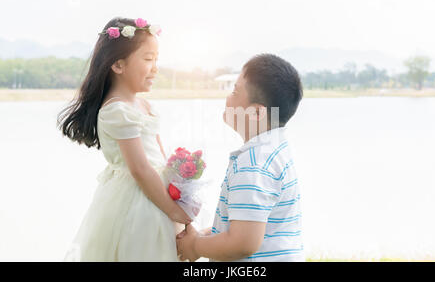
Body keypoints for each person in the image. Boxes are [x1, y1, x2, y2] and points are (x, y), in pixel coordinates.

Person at [57, 17, 191, 261]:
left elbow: (161, 157)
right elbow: (140, 169)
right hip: (138, 200)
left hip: (158, 192)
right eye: (148, 59)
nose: (156, 68)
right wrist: (172, 210)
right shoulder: (116, 110)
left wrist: (182, 180)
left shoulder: (144, 105)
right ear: (118, 65)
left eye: (156, 59)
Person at [176, 54, 304, 261]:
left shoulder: (254, 165)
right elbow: (247, 223)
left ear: (256, 113)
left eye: (235, 91)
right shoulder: (275, 150)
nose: (228, 98)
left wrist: (196, 246)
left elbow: (243, 243)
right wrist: (202, 236)